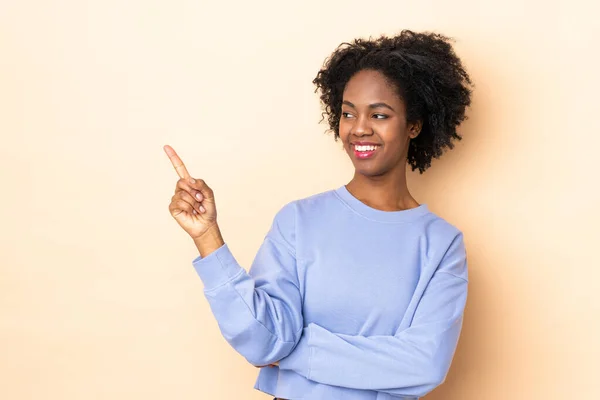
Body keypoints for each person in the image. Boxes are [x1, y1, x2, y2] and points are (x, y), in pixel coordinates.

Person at [165, 29, 473, 400]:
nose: (359, 128)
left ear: (413, 124)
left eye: (379, 114)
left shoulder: (441, 244)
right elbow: (264, 341)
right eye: (348, 113)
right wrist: (207, 236)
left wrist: (297, 350)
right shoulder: (298, 221)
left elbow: (423, 364)